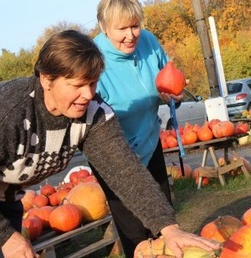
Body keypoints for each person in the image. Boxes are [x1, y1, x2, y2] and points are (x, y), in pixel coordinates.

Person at [0, 30, 220, 258]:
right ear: (46, 79)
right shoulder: (10, 113)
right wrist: (6, 239)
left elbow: (126, 172)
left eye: (92, 83)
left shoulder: (93, 114)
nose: (88, 94)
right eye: (77, 85)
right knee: (2, 250)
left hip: (4, 191)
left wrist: (168, 228)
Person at [91, 0, 185, 257]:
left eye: (135, 26)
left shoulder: (149, 42)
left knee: (162, 218)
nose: (131, 35)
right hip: (114, 154)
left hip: (149, 140)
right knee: (134, 231)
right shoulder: (92, 59)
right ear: (104, 27)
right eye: (122, 28)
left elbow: (169, 77)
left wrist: (173, 94)